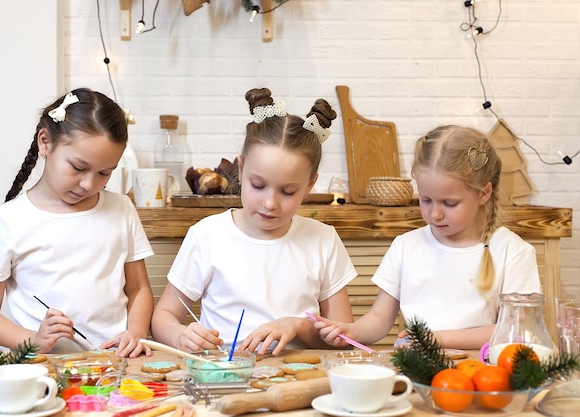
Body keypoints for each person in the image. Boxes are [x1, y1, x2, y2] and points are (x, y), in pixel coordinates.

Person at [151, 87, 357, 356]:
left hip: (299, 377)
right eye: (258, 185)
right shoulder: (207, 235)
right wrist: (180, 336)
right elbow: (162, 317)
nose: (270, 203)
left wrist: (296, 326)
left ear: (310, 184)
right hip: (224, 374)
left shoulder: (323, 239)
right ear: (240, 169)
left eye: (287, 191)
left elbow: (343, 336)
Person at [314, 125, 541, 350]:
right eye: (426, 199)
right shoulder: (405, 246)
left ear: (484, 193)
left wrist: (435, 339)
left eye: (450, 203)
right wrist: (351, 330)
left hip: (481, 375)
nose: (435, 214)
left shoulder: (513, 251)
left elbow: (514, 330)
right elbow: (380, 319)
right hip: (417, 369)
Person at [0, 88, 155, 357]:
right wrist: (34, 340)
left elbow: (138, 289)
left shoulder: (121, 208)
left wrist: (135, 334)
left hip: (115, 363)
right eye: (78, 167)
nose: (89, 184)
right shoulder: (9, 220)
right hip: (45, 367)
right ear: (45, 143)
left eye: (104, 173)